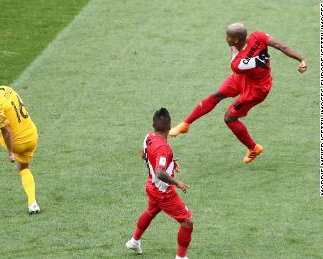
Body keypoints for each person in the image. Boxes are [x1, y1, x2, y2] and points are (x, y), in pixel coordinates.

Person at [169, 23, 307, 163]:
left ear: (235, 40)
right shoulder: (258, 36)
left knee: (229, 118)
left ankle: (254, 148)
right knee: (218, 94)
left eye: (228, 37)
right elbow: (281, 46)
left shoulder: (238, 64)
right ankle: (185, 124)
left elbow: (235, 59)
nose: (226, 39)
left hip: (256, 89)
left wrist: (233, 47)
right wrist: (301, 59)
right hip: (244, 77)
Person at [126, 108, 193, 259]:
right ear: (169, 127)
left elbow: (145, 156)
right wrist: (177, 182)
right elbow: (160, 172)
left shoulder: (148, 136)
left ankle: (134, 241)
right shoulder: (163, 147)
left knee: (151, 211)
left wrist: (169, 161)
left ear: (153, 124)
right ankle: (181, 257)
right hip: (162, 192)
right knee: (187, 221)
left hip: (151, 185)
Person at [0, 71, 40, 214]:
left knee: (0, 128)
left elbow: (7, 132)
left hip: (17, 143)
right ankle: (32, 203)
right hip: (32, 136)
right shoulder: (8, 89)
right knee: (23, 168)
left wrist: (10, 152)